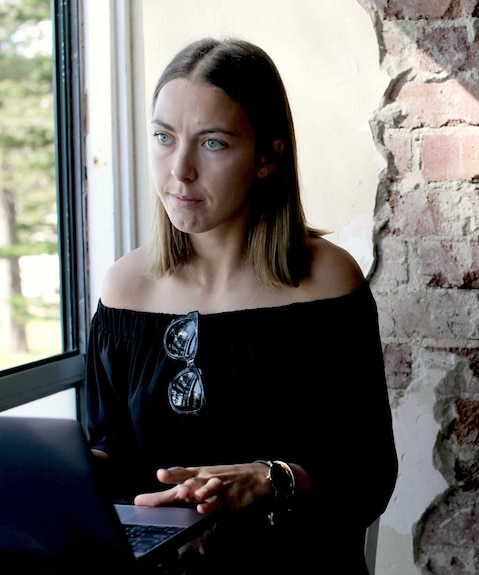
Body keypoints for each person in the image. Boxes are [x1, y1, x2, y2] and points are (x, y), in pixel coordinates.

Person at [83, 37, 397, 574]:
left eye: (213, 144)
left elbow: (367, 477)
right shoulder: (124, 289)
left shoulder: (326, 283)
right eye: (163, 137)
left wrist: (268, 479)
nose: (179, 170)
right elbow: (114, 463)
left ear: (269, 156)